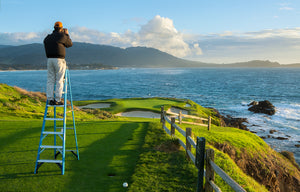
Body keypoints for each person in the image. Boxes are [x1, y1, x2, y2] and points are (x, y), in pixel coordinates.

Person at [44, 21, 73, 105]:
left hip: (49, 60)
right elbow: (69, 44)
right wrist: (67, 34)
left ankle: (50, 99)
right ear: (61, 28)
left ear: (54, 27)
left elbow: (45, 42)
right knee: (59, 80)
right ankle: (57, 99)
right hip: (59, 60)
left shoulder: (48, 37)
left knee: (50, 80)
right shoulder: (63, 36)